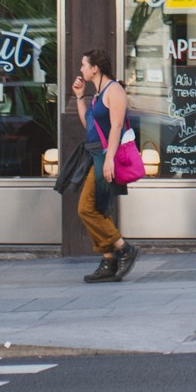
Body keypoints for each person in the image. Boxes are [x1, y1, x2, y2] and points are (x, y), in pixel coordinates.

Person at [73, 50, 140, 283]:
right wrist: (80, 97)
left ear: (95, 68)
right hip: (94, 154)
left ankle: (123, 248)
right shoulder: (97, 93)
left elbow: (117, 126)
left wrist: (110, 158)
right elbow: (88, 124)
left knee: (86, 208)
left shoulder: (115, 90)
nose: (80, 69)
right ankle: (109, 259)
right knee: (99, 209)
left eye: (84, 65)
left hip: (105, 156)